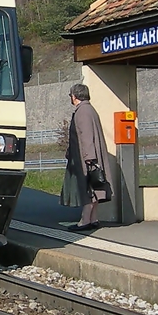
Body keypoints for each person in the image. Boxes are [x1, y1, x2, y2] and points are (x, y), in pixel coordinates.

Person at [61, 83, 111, 231]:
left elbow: (86, 135)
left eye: (71, 95)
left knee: (87, 189)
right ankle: (93, 219)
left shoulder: (82, 112)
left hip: (86, 158)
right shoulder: (89, 110)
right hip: (91, 156)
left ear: (74, 96)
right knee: (95, 188)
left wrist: (89, 157)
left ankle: (85, 221)